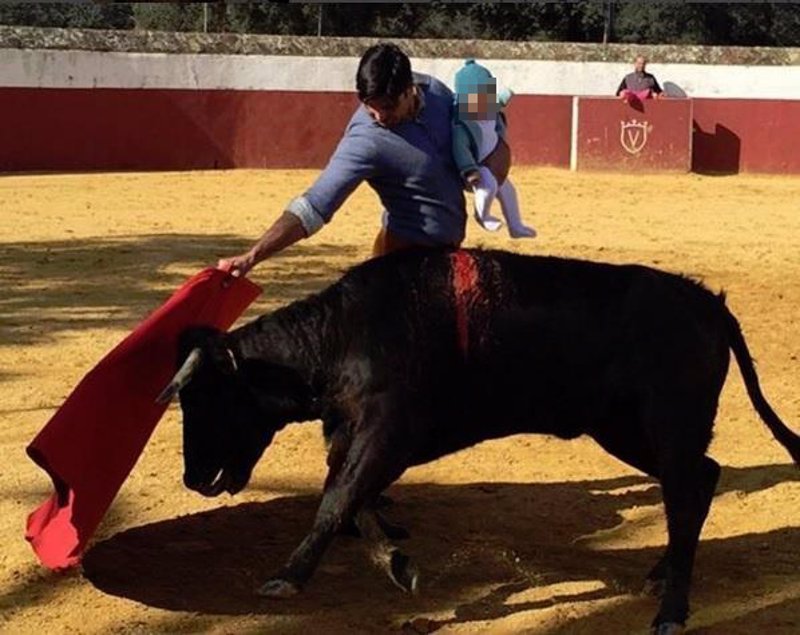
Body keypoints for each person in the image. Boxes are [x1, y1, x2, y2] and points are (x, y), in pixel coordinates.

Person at [219, 43, 511, 277]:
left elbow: (480, 125)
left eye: (387, 106)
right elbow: (314, 205)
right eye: (370, 108)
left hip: (447, 258)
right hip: (400, 264)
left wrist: (497, 149)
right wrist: (253, 255)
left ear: (409, 89)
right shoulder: (365, 140)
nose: (379, 117)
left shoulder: (435, 91)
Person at [452, 59, 536, 239]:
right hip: (476, 169)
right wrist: (469, 169)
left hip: (493, 165)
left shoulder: (489, 108)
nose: (483, 104)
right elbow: (460, 148)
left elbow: (500, 101)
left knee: (508, 190)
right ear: (465, 98)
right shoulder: (461, 125)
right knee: (488, 184)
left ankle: (515, 226)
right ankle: (483, 216)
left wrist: (508, 93)